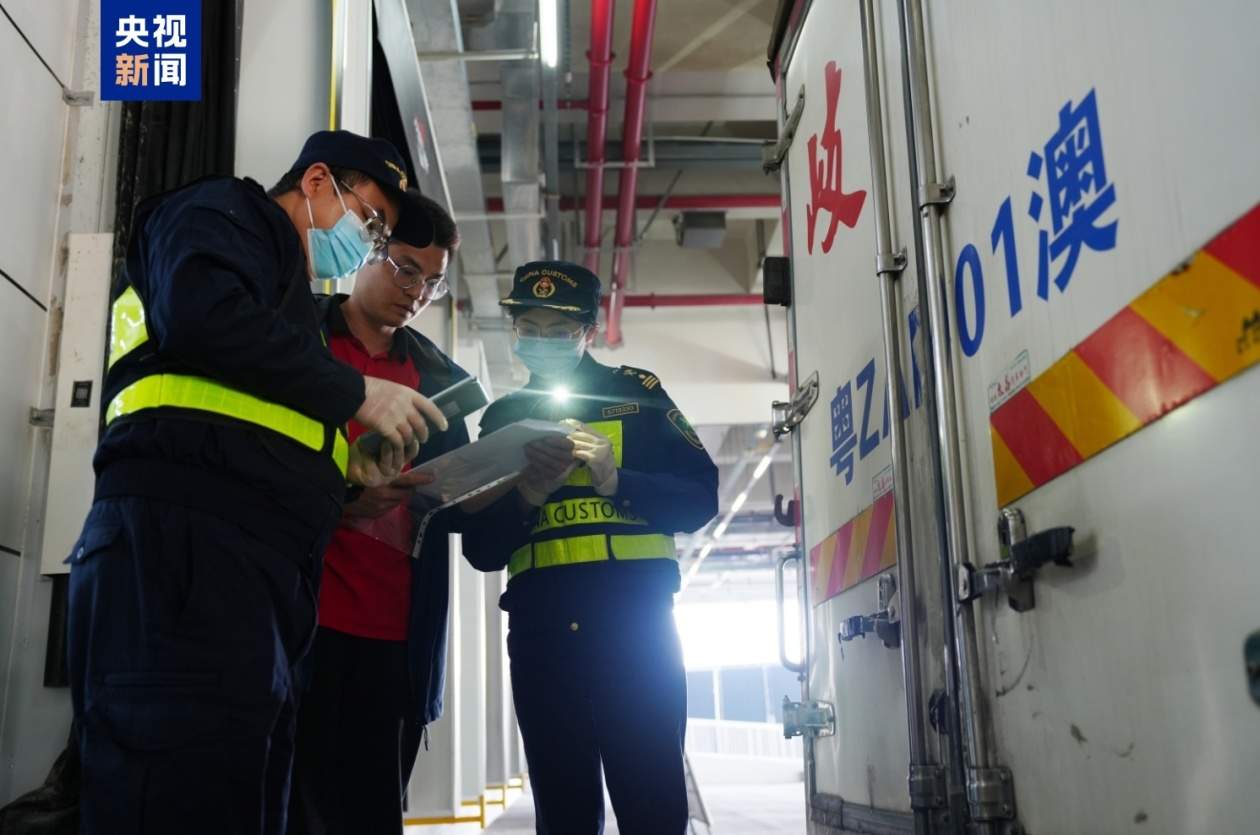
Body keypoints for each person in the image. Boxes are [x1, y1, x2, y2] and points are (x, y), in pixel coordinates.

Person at [66, 131, 449, 835]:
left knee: (236, 792)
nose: (369, 245)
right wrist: (349, 390)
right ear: (317, 182)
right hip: (179, 552)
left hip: (244, 573)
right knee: (171, 788)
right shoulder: (221, 212)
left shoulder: (291, 307)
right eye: (370, 222)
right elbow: (200, 315)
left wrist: (344, 474)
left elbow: (254, 422)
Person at [463, 261, 719, 835]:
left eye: (558, 332)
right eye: (529, 329)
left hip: (637, 635)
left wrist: (618, 479)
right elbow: (480, 549)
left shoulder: (640, 394)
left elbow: (701, 498)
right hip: (543, 642)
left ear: (588, 329)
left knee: (652, 803)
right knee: (564, 810)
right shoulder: (505, 418)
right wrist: (525, 494)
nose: (542, 343)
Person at [288, 191, 467, 835]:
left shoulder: (441, 379)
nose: (416, 291)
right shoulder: (292, 338)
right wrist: (343, 500)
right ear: (368, 250)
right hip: (292, 624)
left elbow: (463, 515)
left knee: (371, 814)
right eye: (406, 268)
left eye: (434, 281)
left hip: (394, 636)